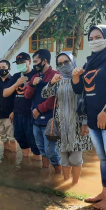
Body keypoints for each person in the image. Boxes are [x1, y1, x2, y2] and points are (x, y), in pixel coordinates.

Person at [42, 52, 92, 185]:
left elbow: (87, 101)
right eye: (59, 64)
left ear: (73, 61)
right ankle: (65, 184)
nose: (63, 65)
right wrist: (51, 82)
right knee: (63, 158)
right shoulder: (58, 81)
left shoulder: (82, 79)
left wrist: (85, 122)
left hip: (77, 123)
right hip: (61, 124)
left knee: (76, 158)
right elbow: (44, 94)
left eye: (66, 62)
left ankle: (74, 185)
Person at [72, 25, 106, 209]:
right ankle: (104, 193)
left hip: (105, 117)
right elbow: (79, 90)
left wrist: (105, 111)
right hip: (94, 119)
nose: (94, 41)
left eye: (98, 37)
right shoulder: (89, 62)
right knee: (103, 158)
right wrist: (76, 77)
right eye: (91, 38)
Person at [24, 49, 62, 173]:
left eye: (35, 61)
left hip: (50, 120)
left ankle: (59, 176)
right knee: (41, 148)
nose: (34, 64)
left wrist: (39, 109)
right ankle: (45, 175)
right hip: (36, 120)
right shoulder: (35, 76)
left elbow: (55, 98)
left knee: (51, 150)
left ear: (44, 61)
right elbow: (27, 96)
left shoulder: (55, 75)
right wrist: (32, 85)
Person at [3, 52, 41, 159]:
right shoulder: (16, 76)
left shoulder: (36, 75)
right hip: (18, 113)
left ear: (29, 61)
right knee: (21, 139)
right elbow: (5, 93)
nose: (20, 64)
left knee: (33, 141)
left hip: (31, 113)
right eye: (18, 63)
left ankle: (39, 168)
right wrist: (16, 84)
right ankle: (26, 166)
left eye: (22, 62)